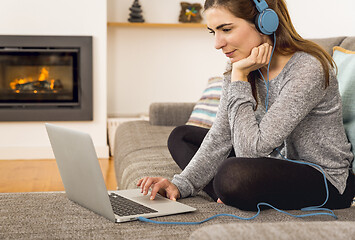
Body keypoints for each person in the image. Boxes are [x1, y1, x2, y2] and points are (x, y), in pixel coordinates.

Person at [137, 0, 355, 211]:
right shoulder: (239, 63)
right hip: (267, 162)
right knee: (181, 136)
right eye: (213, 32)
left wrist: (240, 76)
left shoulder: (307, 69)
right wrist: (181, 184)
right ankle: (231, 193)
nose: (217, 44)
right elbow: (222, 134)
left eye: (226, 29)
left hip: (325, 180)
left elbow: (250, 153)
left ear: (265, 22)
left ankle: (232, 190)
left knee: (232, 173)